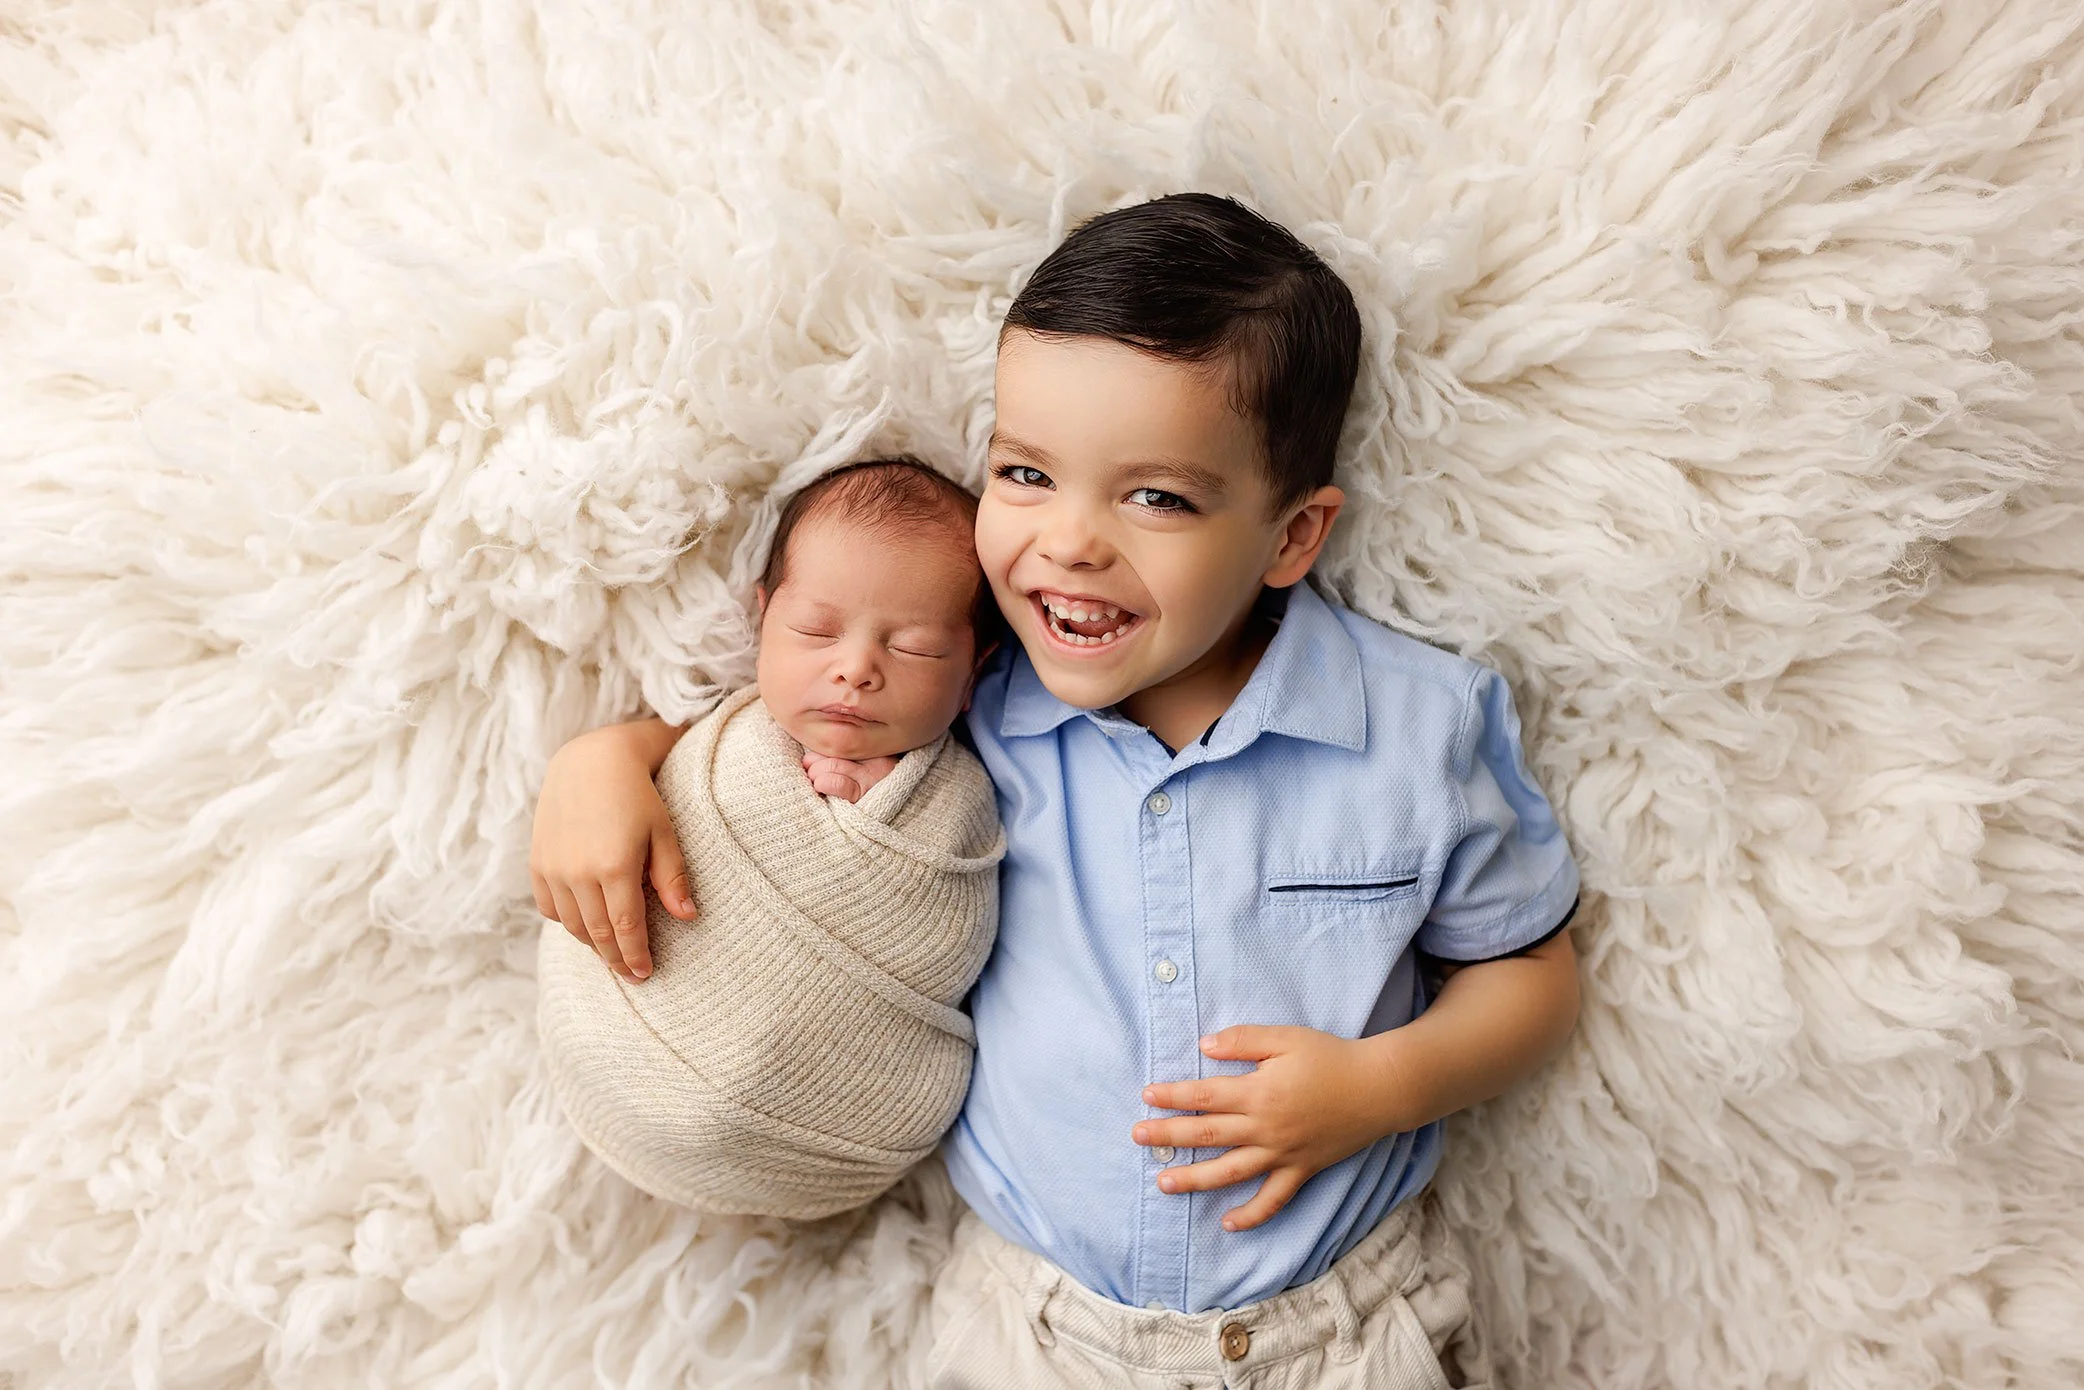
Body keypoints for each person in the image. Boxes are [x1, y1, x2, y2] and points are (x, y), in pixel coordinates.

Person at [531, 193, 1582, 1388]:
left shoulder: (1414, 728)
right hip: (1031, 1329)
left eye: (1155, 496)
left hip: (1335, 1331)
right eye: (1025, 472)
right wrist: (603, 761)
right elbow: (795, 707)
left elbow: (1530, 973)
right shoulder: (971, 693)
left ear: (1292, 536)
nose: (1068, 541)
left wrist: (1379, 1085)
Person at [534, 460, 1005, 1221]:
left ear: (974, 669)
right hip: (614, 1042)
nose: (855, 669)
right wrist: (596, 758)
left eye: (915, 648)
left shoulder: (963, 805)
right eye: (816, 631)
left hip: (829, 1129)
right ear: (762, 617)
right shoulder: (721, 741)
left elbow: (949, 939)